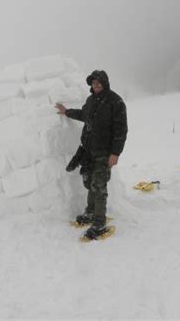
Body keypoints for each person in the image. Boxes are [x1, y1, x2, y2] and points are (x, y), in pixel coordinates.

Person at [56, 70, 128, 239]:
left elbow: (121, 130)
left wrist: (115, 153)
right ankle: (90, 212)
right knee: (89, 183)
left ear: (105, 83)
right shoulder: (91, 100)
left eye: (98, 83)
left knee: (99, 186)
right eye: (93, 83)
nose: (95, 86)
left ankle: (99, 223)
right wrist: (67, 112)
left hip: (105, 152)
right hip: (89, 150)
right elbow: (84, 115)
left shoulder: (115, 102)